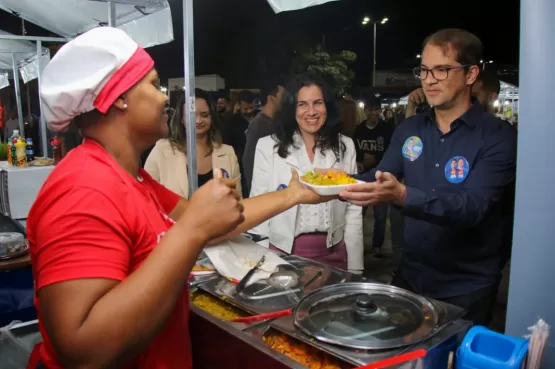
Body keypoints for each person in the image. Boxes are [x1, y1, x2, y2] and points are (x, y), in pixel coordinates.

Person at [25, 27, 330, 369]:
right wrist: (191, 231)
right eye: (154, 84)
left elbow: (214, 222)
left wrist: (294, 194)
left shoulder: (134, 179)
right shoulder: (82, 189)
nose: (165, 98)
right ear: (120, 97)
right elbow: (83, 351)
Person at [337, 29, 517, 325]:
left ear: (471, 74)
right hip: (410, 276)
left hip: (466, 287)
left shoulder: (497, 138)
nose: (429, 79)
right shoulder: (410, 130)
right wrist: (331, 182)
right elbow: (378, 176)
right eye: (424, 70)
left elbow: (472, 208)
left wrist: (404, 196)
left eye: (442, 69)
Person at [250, 74, 363, 273]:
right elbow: (259, 208)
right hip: (281, 256)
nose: (311, 112)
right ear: (292, 109)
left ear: (327, 106)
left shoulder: (345, 145)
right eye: (302, 104)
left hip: (334, 255)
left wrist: (355, 268)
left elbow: (353, 211)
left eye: (317, 103)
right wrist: (260, 266)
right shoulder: (267, 146)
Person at [145, 89, 241, 198]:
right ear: (181, 118)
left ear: (211, 117)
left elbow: (238, 200)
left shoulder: (228, 153)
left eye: (204, 115)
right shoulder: (162, 150)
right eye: (192, 116)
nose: (198, 121)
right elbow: (145, 196)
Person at [353, 95, 394, 258]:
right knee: (358, 215)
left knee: (381, 216)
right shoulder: (358, 130)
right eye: (370, 110)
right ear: (365, 111)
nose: (374, 113)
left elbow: (392, 152)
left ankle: (377, 246)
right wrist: (362, 160)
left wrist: (376, 159)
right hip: (362, 180)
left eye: (377, 110)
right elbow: (354, 153)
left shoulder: (387, 130)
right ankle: (357, 246)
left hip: (381, 179)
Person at [242, 79, 285, 189]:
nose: (285, 100)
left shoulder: (270, 122)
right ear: (271, 98)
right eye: (282, 96)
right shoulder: (260, 125)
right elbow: (249, 159)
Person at [224, 90, 255, 198]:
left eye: (251, 108)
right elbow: (228, 143)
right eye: (245, 109)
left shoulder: (259, 117)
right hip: (240, 166)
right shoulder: (232, 122)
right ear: (239, 105)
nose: (249, 111)